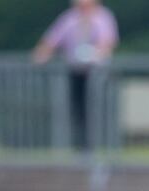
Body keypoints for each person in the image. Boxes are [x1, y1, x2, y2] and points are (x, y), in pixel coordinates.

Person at [32, 0, 119, 150]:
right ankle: (83, 145)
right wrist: (42, 53)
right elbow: (52, 39)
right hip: (77, 72)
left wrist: (95, 54)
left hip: (98, 74)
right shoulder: (69, 18)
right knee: (79, 111)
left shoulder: (103, 17)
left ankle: (102, 144)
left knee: (99, 110)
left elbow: (107, 41)